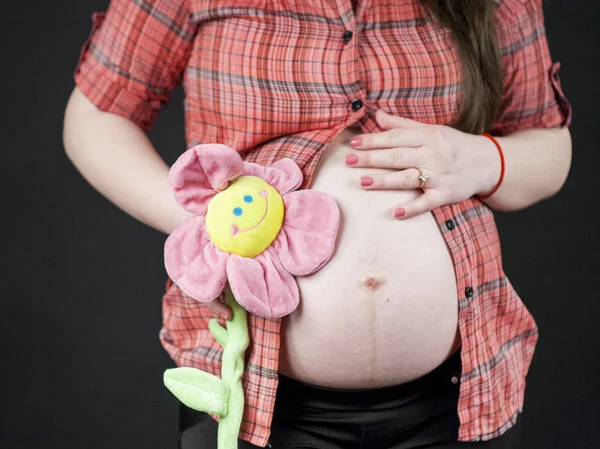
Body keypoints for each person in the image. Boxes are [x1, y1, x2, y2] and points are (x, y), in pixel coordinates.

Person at [63, 0, 572, 447]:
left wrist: (484, 160)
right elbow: (95, 121)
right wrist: (216, 228)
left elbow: (550, 147)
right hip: (250, 397)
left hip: (460, 396)